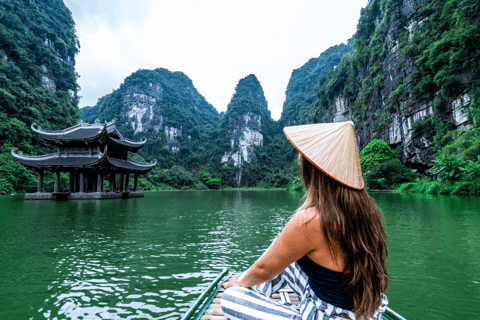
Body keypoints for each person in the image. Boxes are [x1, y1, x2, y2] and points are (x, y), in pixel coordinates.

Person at [220, 121, 389, 320]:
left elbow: (263, 269)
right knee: (286, 261)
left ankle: (255, 297)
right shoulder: (369, 210)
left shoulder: (311, 220)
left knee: (231, 297)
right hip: (367, 313)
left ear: (311, 170)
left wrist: (239, 283)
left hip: (329, 316)